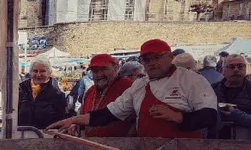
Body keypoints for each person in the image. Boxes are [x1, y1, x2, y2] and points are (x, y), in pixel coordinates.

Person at [49, 39, 218, 138]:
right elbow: (109, 114)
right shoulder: (140, 85)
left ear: (170, 57)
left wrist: (178, 116)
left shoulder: (192, 80)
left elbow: (210, 116)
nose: (152, 63)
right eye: (147, 59)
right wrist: (73, 120)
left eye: (157, 57)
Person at [77, 54, 135, 137]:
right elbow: (83, 117)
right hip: (91, 145)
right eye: (95, 71)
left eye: (104, 69)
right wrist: (76, 125)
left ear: (115, 68)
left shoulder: (127, 86)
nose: (99, 74)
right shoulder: (90, 91)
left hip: (119, 145)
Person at [17, 58, 67, 130]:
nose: (38, 74)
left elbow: (59, 122)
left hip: (46, 137)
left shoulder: (58, 96)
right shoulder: (20, 90)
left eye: (42, 71)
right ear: (30, 72)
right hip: (21, 136)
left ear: (49, 73)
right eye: (35, 71)